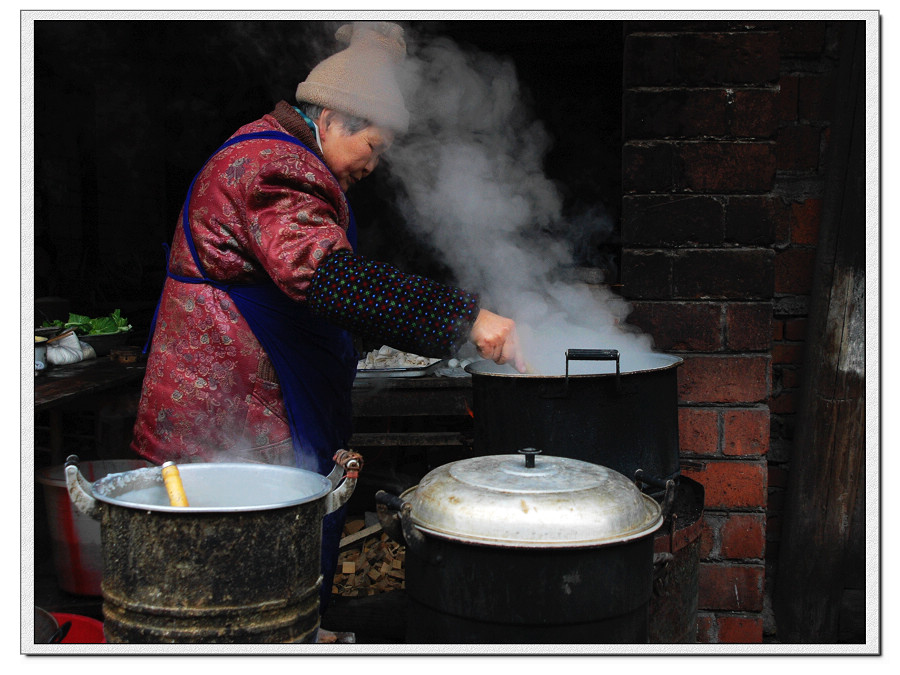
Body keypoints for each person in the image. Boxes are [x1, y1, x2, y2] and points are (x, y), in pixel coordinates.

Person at [130, 21, 523, 625]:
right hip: (227, 410)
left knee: (253, 578)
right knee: (237, 586)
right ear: (337, 118)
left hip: (247, 396)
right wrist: (465, 317)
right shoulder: (276, 169)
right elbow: (327, 278)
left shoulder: (274, 151)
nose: (374, 164)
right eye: (374, 145)